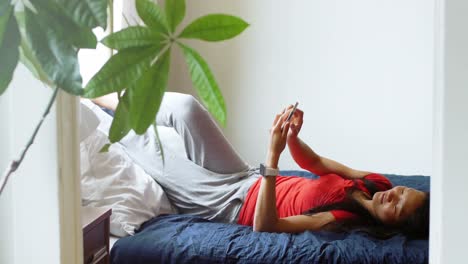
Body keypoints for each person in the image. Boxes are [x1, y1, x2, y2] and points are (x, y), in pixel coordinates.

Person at [92, 92, 430, 239]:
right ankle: (102, 97)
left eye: (398, 206)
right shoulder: (375, 183)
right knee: (186, 109)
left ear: (392, 228)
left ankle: (83, 104)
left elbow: (265, 227)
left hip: (229, 205)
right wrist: (293, 135)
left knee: (146, 146)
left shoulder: (339, 222)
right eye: (404, 191)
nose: (394, 194)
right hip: (244, 177)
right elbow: (315, 163)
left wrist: (273, 156)